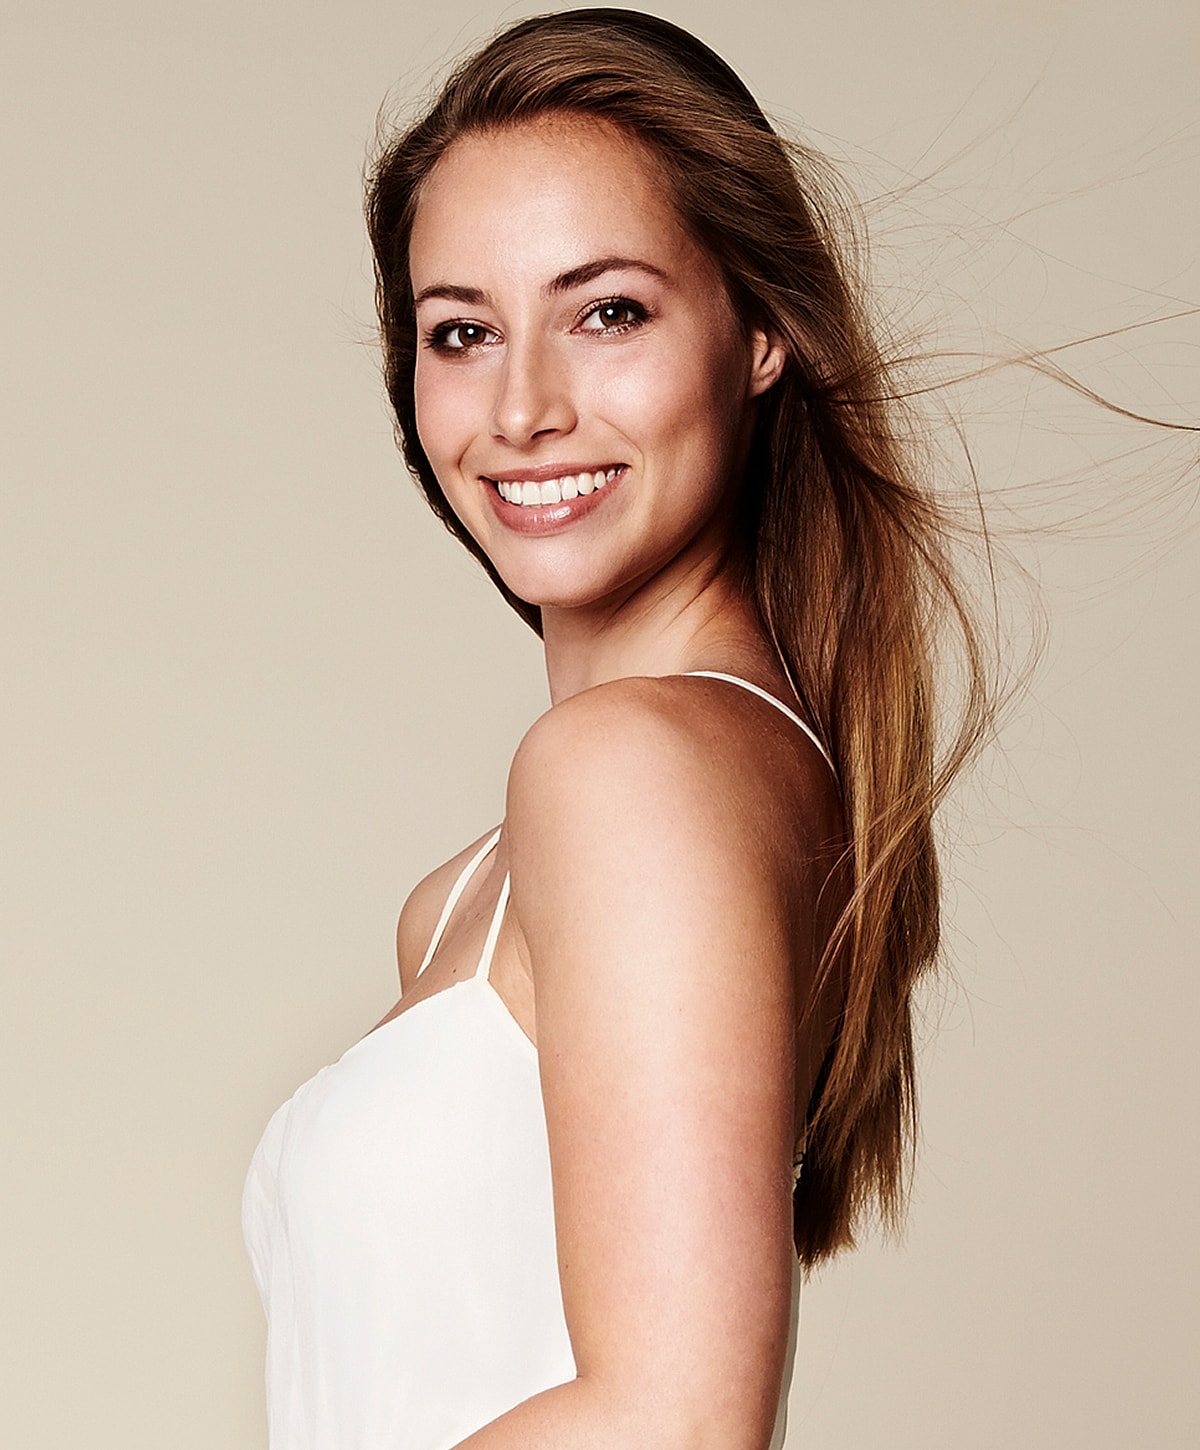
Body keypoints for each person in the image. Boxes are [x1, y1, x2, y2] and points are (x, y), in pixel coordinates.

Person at [243, 9, 987, 1447]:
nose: (522, 407)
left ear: (761, 330)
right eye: (462, 331)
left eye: (608, 312)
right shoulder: (482, 884)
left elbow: (678, 1420)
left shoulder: (627, 770)